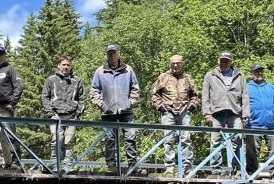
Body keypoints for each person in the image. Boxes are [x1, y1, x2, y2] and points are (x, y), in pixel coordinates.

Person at [90, 44, 142, 175]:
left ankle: (132, 165)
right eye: (110, 53)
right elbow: (94, 90)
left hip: (126, 111)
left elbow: (135, 88)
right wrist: (101, 104)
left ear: (119, 54)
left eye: (114, 53)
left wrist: (131, 102)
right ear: (106, 55)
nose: (112, 55)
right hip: (108, 112)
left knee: (131, 137)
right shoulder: (100, 71)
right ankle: (111, 166)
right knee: (109, 139)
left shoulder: (128, 69)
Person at [150, 54, 199, 175]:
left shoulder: (187, 78)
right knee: (168, 140)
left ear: (182, 63)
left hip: (184, 111)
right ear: (170, 64)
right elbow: (154, 94)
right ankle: (169, 167)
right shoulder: (163, 77)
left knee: (186, 139)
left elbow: (195, 95)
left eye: (178, 63)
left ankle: (187, 168)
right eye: (173, 63)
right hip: (168, 111)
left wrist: (191, 106)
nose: (175, 65)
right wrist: (161, 107)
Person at [202, 51, 250, 175]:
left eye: (226, 61)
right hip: (216, 112)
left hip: (235, 112)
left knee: (237, 140)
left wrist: (245, 114)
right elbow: (205, 95)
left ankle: (237, 168)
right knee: (215, 141)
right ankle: (215, 169)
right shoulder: (210, 75)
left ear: (231, 62)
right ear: (218, 61)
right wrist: (207, 113)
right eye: (222, 60)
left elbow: (245, 96)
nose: (224, 63)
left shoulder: (240, 76)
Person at [41, 56, 86, 170]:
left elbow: (82, 98)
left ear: (71, 66)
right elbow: (45, 97)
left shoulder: (77, 80)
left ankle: (67, 165)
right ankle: (55, 164)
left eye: (68, 65)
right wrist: (50, 112)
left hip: (71, 115)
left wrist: (78, 113)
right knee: (56, 140)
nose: (65, 67)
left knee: (69, 141)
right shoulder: (51, 80)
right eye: (63, 65)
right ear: (59, 65)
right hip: (56, 115)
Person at [246, 63, 274, 178]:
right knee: (252, 150)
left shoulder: (272, 88)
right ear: (252, 73)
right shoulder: (246, 88)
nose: (259, 73)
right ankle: (252, 173)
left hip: (271, 125)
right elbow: (239, 104)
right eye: (256, 71)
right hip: (252, 125)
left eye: (261, 71)